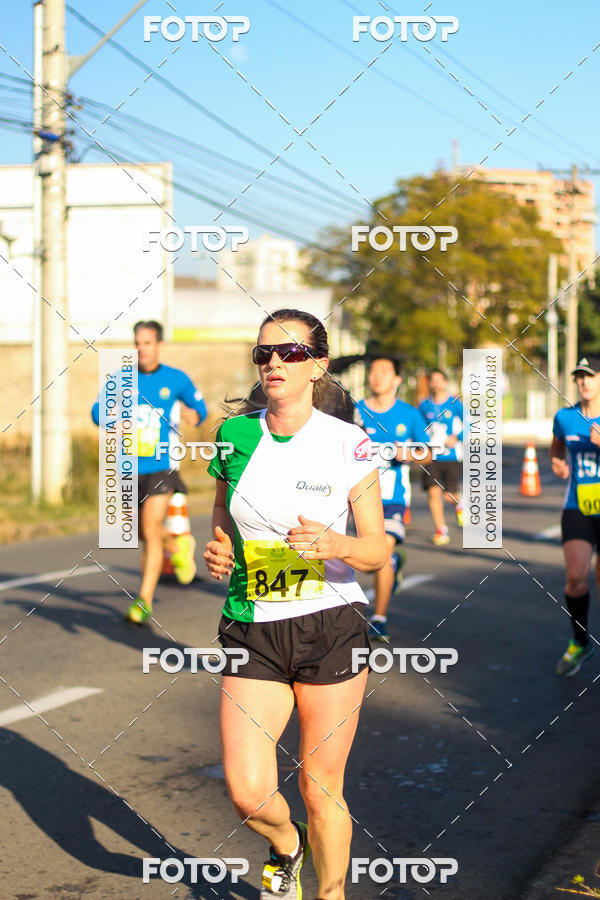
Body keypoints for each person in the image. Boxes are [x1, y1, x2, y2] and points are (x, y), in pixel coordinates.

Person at [203, 308, 387, 900]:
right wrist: (219, 548)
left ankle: (328, 895)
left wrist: (337, 545)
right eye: (264, 354)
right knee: (247, 789)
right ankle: (287, 845)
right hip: (253, 620)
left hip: (329, 623)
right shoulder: (235, 436)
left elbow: (379, 548)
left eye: (290, 353)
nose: (275, 363)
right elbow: (222, 511)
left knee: (319, 785)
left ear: (318, 366)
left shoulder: (347, 443)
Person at [92, 320, 207, 623]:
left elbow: (200, 408)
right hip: (129, 467)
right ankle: (175, 543)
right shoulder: (121, 379)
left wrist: (193, 414)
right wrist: (109, 418)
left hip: (162, 466)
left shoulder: (176, 379)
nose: (141, 349)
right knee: (142, 533)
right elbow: (96, 411)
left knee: (149, 525)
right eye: (137, 343)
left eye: (147, 343)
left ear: (159, 345)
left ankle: (144, 600)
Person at [355, 356, 431, 642]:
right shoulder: (357, 412)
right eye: (373, 372)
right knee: (367, 561)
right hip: (360, 499)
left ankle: (379, 618)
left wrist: (409, 454)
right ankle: (395, 563)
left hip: (393, 498)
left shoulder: (410, 415)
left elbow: (429, 451)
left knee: (380, 556)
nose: (377, 377)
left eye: (384, 372)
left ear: (397, 380)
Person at [551, 356, 600, 676]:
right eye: (579, 377)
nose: (584, 382)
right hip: (578, 504)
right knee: (576, 577)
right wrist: (557, 462)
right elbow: (556, 448)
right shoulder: (565, 417)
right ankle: (581, 642)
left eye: (590, 376)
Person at [418, 369, 464, 546]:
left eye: (439, 380)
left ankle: (459, 506)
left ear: (445, 382)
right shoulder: (424, 405)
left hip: (450, 456)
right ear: (429, 383)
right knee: (433, 492)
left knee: (448, 495)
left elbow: (470, 423)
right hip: (431, 456)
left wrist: (457, 438)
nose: (436, 384)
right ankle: (441, 529)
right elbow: (418, 426)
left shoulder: (455, 403)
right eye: (433, 380)